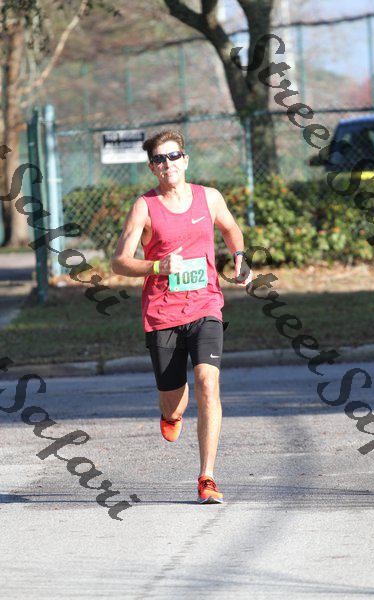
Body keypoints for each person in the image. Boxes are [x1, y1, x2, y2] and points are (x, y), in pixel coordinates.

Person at [111, 129, 252, 503]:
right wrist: (157, 265)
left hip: (206, 305)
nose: (167, 164)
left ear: (185, 160)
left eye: (173, 156)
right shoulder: (144, 207)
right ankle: (171, 414)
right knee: (173, 401)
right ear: (152, 167)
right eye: (159, 159)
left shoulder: (209, 197)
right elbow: (119, 262)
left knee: (207, 381)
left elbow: (231, 228)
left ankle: (207, 477)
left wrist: (239, 258)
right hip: (162, 313)